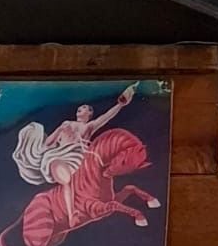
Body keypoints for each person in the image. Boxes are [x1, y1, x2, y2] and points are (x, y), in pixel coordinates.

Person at [12, 84, 136, 225]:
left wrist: (120, 105)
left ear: (89, 114)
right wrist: (60, 131)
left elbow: (106, 117)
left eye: (83, 108)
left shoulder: (89, 126)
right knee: (65, 178)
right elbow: (48, 143)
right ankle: (72, 215)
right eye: (78, 109)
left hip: (78, 157)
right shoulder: (66, 123)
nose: (79, 110)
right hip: (58, 156)